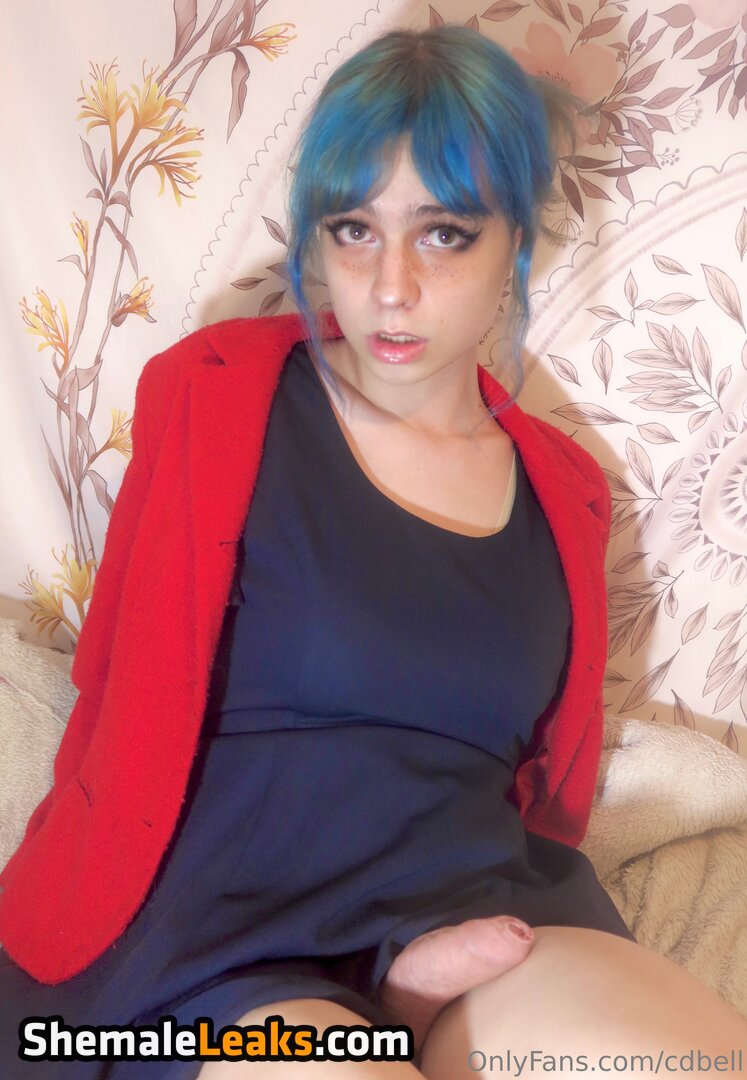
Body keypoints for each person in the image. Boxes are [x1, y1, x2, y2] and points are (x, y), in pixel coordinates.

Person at [1, 24, 745, 1080]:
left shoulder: (567, 491)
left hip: (475, 906)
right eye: (353, 229)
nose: (390, 285)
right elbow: (115, 675)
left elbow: (549, 784)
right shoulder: (216, 396)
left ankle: (407, 992)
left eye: (443, 234)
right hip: (229, 923)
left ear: (513, 241)